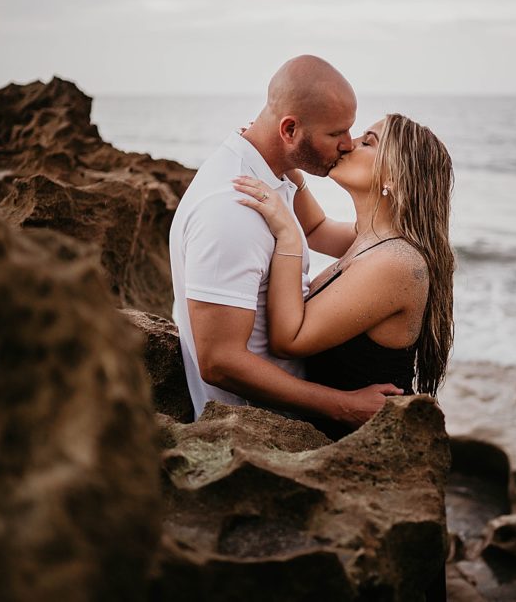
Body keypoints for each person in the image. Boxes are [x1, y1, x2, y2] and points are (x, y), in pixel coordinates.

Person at [169, 55, 404, 427]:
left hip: (290, 419)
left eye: (351, 130)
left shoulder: (273, 174)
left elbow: (320, 232)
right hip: (254, 432)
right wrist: (342, 405)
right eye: (335, 134)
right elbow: (218, 361)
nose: (347, 144)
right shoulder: (231, 210)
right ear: (290, 129)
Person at [233, 112, 455, 438]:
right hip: (336, 437)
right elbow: (315, 228)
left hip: (363, 448)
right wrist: (287, 161)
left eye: (368, 142)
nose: (349, 144)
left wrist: (287, 236)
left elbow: (287, 339)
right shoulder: (370, 241)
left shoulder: (395, 263)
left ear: (393, 177)